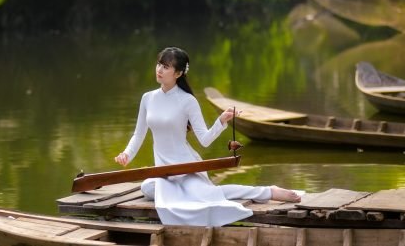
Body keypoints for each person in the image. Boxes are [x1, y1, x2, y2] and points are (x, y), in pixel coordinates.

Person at [114, 46, 300, 227]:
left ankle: (268, 191)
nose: (159, 70)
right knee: (147, 187)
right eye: (159, 64)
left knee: (207, 194)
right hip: (163, 172)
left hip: (186, 167)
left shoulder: (188, 101)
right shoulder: (148, 98)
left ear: (178, 74)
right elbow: (138, 134)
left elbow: (204, 140)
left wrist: (221, 121)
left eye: (166, 66)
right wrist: (127, 154)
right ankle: (184, 192)